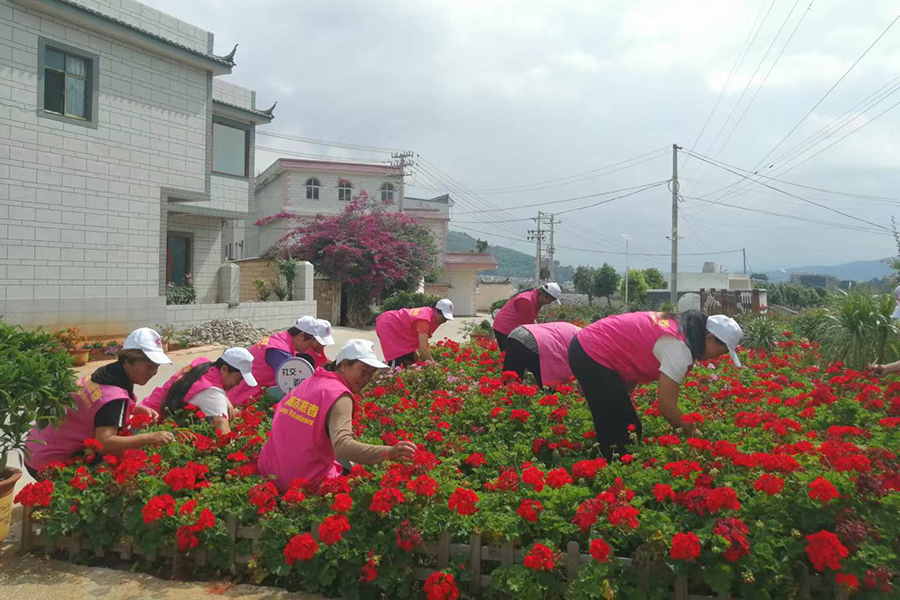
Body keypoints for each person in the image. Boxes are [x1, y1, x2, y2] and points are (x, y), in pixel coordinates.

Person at [568, 310, 743, 460]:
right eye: (722, 352)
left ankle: (603, 459)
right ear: (710, 338)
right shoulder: (679, 347)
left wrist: (622, 396)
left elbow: (635, 350)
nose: (718, 357)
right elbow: (667, 407)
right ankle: (607, 472)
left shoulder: (682, 327)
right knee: (623, 433)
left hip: (592, 344)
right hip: (591, 350)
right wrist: (697, 437)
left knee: (622, 424)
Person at [258, 339, 417, 492]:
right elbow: (342, 446)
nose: (366, 379)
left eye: (371, 373)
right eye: (363, 370)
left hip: (268, 472)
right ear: (344, 365)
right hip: (301, 485)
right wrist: (389, 453)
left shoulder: (312, 380)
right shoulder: (339, 394)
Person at [24, 328, 175, 477]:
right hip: (49, 463)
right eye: (149, 366)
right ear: (128, 361)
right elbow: (105, 443)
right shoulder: (114, 398)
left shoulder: (105, 374)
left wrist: (134, 409)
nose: (153, 372)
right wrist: (150, 438)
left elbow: (97, 405)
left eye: (156, 367)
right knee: (115, 463)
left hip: (35, 449)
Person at [138, 348, 257, 434]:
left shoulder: (203, 364)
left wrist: (226, 400)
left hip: (143, 409)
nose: (238, 384)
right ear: (224, 369)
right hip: (146, 426)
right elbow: (224, 435)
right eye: (238, 379)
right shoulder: (212, 393)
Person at [229, 316, 335, 405]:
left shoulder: (280, 339)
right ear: (302, 335)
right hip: (241, 394)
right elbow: (293, 384)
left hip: (243, 390)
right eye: (310, 342)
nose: (309, 346)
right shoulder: (279, 352)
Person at [375, 299, 454, 368]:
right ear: (436, 311)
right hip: (388, 325)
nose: (444, 320)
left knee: (412, 363)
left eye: (446, 318)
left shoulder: (429, 313)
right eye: (443, 317)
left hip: (400, 331)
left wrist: (413, 350)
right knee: (395, 362)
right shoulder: (424, 320)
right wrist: (433, 364)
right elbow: (423, 347)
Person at [503, 321, 581, 387]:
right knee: (550, 386)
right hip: (535, 342)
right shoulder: (581, 339)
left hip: (517, 333)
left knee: (511, 380)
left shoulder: (575, 330)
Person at [492, 282, 562, 352]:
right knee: (509, 354)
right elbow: (528, 324)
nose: (549, 303)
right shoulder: (526, 301)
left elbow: (531, 319)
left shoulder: (535, 299)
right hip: (505, 327)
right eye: (550, 300)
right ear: (544, 295)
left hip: (512, 328)